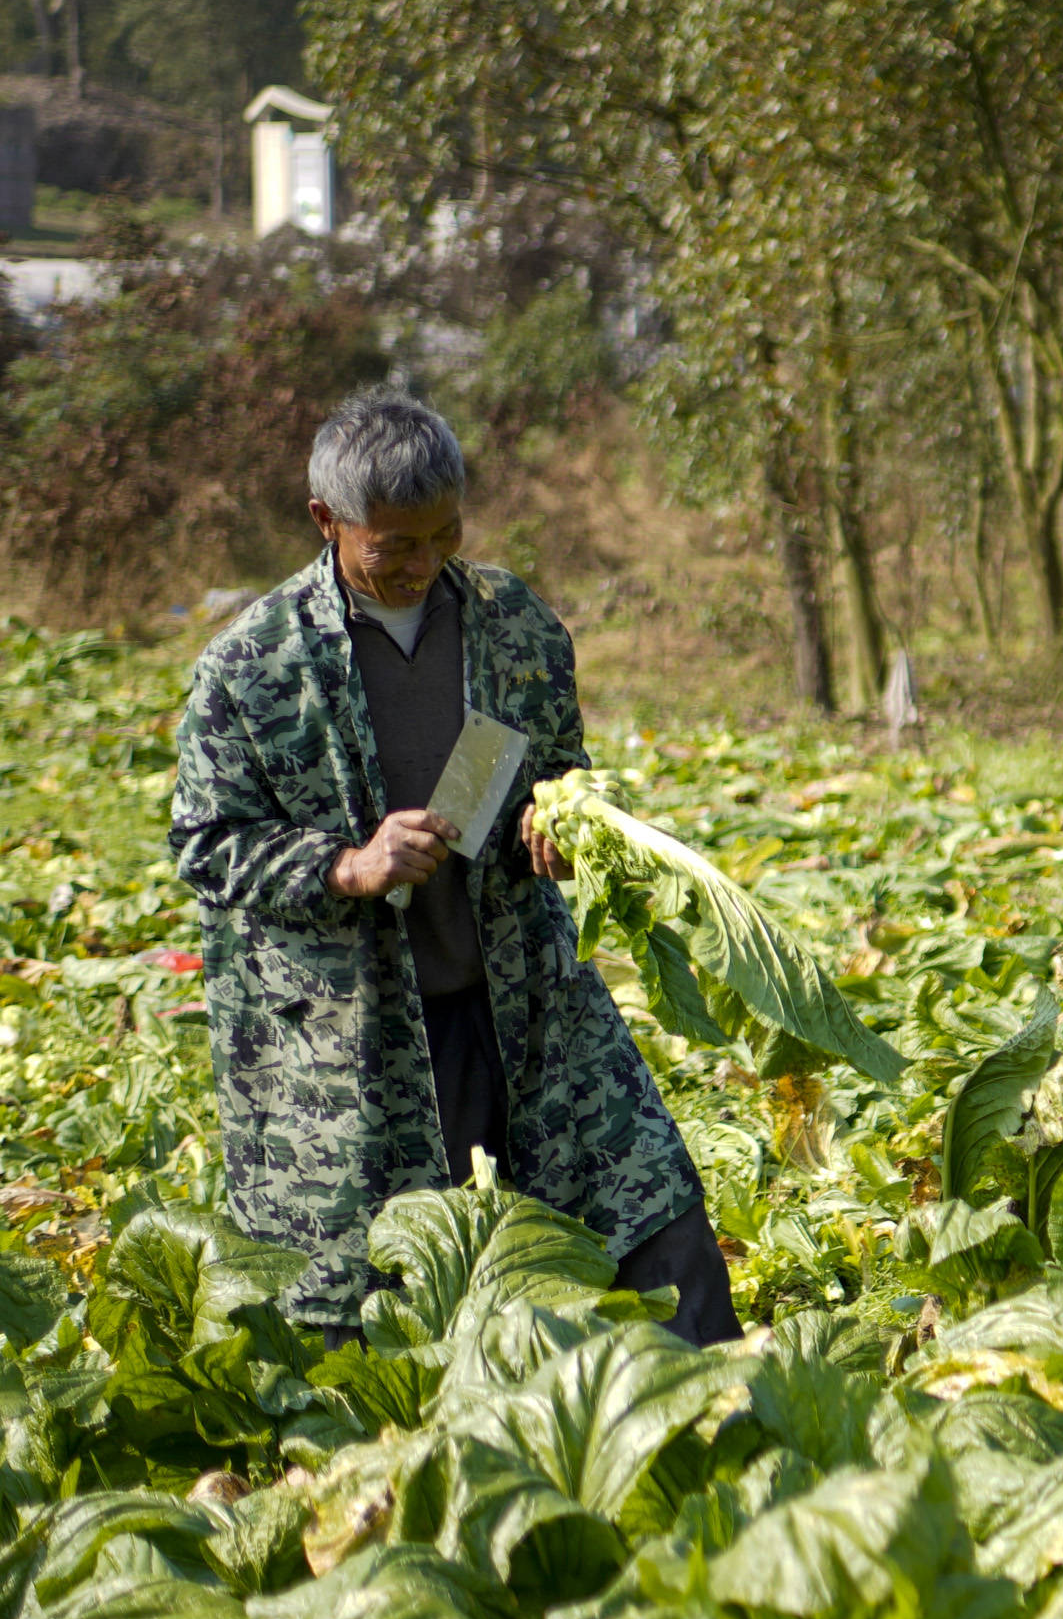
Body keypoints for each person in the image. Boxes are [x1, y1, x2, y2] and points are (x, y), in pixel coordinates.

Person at [169, 390, 734, 1336]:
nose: (423, 566)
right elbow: (205, 844)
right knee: (377, 1301)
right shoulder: (254, 666)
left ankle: (719, 1416)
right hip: (354, 1046)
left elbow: (560, 764)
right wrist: (347, 866)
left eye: (444, 536)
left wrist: (561, 829)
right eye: (394, 546)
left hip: (523, 1000)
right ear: (327, 522)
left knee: (646, 1213)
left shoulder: (514, 623)